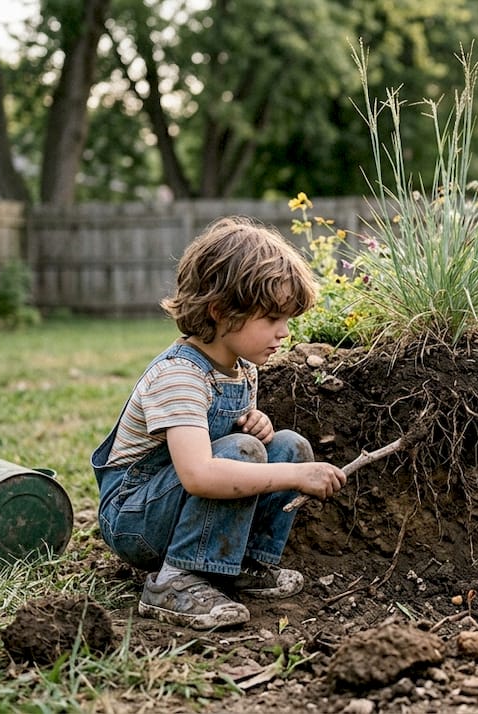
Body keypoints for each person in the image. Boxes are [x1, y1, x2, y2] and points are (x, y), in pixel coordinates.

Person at [91, 216, 347, 630]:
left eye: (287, 319)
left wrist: (255, 423)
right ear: (220, 311)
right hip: (136, 518)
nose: (284, 333)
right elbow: (198, 475)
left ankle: (241, 564)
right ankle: (174, 580)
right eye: (271, 319)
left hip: (179, 504)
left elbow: (227, 438)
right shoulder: (180, 375)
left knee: (288, 445)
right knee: (248, 455)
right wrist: (296, 475)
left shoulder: (242, 368)